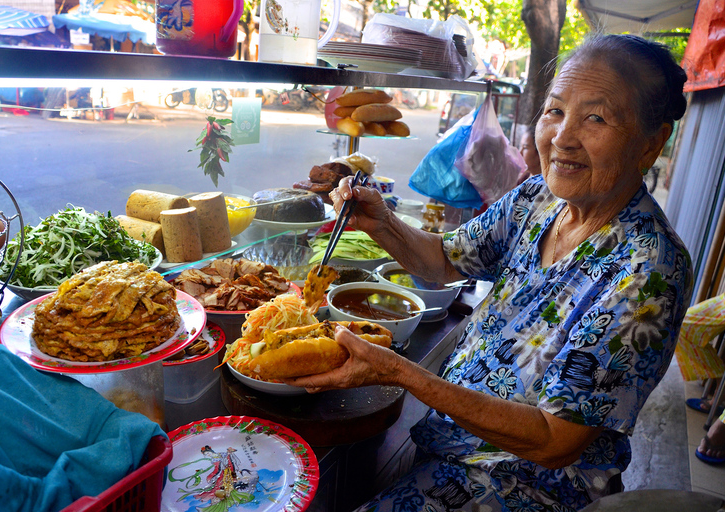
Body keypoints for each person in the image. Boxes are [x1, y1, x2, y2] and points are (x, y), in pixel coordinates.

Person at [285, 34, 692, 511]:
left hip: (528, 486)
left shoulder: (650, 269)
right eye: (555, 111)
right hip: (452, 447)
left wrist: (399, 372)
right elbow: (443, 260)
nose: (561, 137)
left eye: (596, 118)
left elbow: (554, 441)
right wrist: (383, 222)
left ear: (651, 143)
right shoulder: (538, 198)